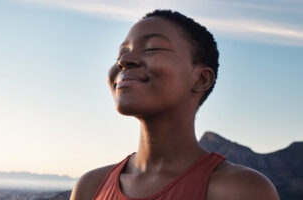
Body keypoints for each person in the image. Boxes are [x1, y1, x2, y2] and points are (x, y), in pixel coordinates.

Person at [70, 9, 280, 200]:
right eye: (121, 53)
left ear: (201, 79)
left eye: (152, 48)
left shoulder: (241, 190)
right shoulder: (90, 187)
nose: (124, 61)